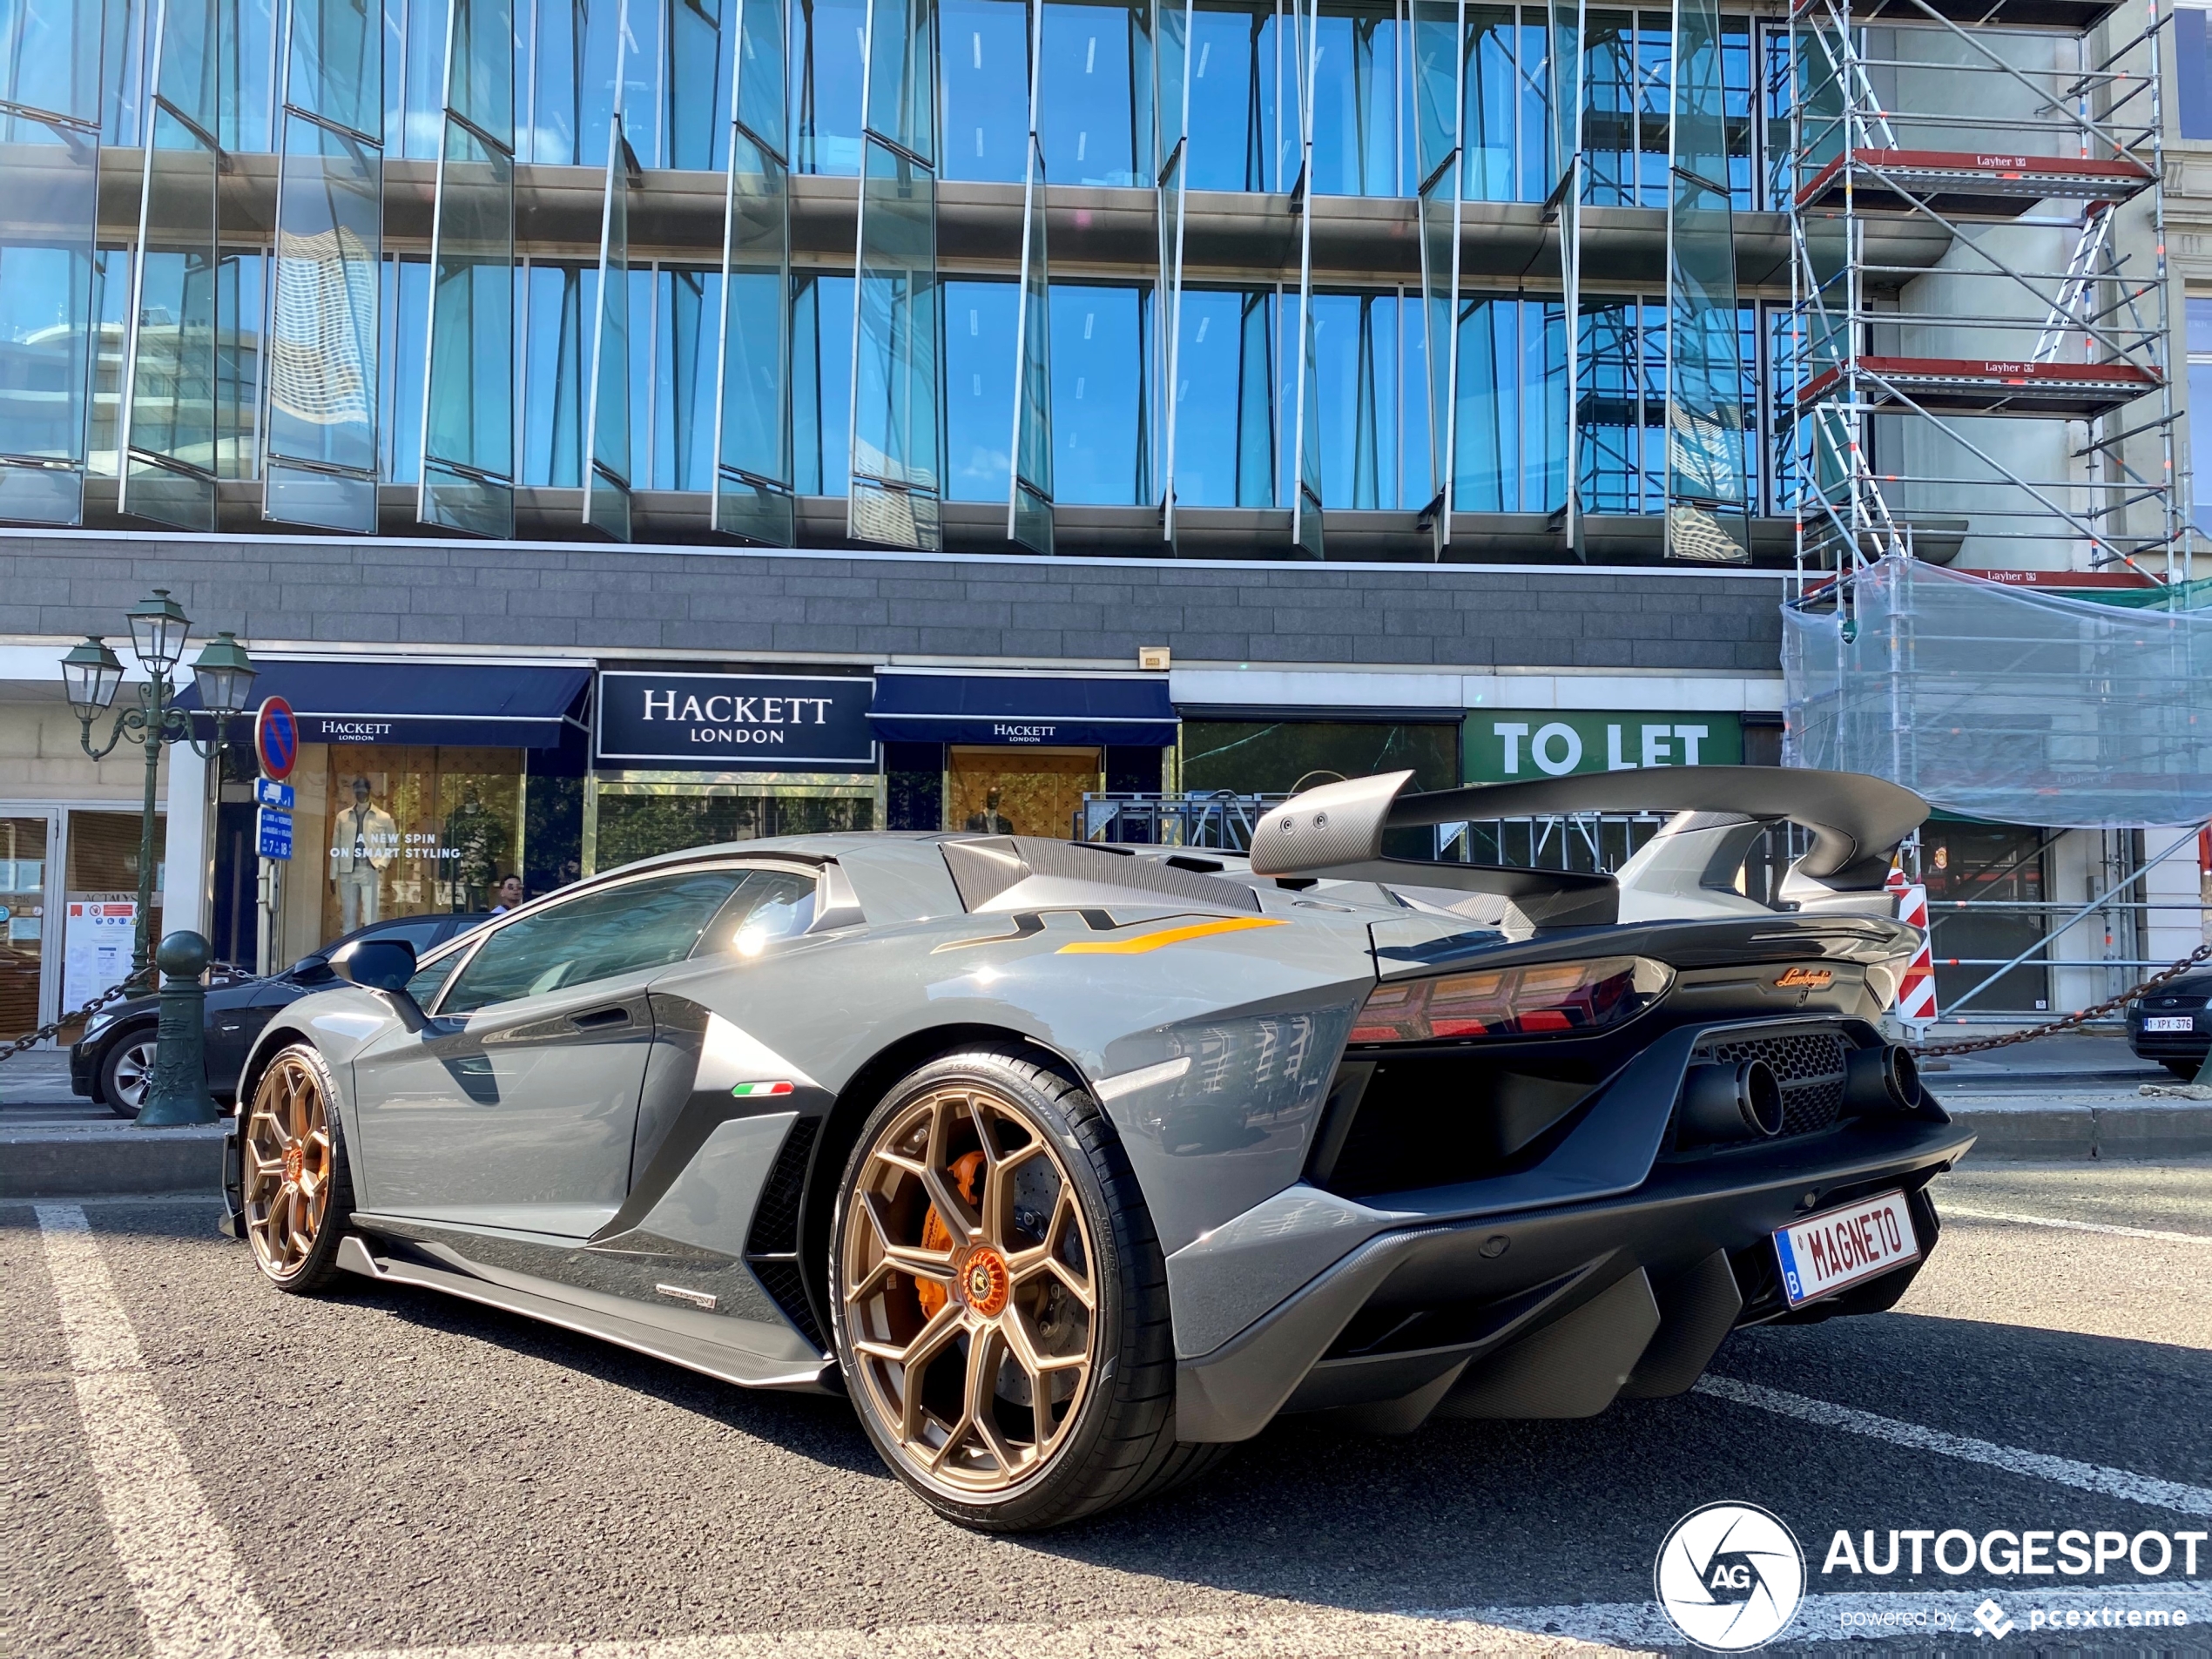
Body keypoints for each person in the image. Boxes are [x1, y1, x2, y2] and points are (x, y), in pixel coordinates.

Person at [329, 777, 397, 932]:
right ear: (354, 792)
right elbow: (336, 847)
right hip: (347, 870)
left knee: (370, 917)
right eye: (358, 792)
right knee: (348, 918)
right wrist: (332, 875)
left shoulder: (383, 817)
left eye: (363, 792)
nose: (361, 795)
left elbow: (393, 844)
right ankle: (348, 952)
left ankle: (369, 950)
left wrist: (381, 863)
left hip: (369, 869)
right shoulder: (343, 817)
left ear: (369, 792)